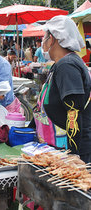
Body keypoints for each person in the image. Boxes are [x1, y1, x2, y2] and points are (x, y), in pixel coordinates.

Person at [30, 15, 91, 163]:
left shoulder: (67, 66)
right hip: (57, 148)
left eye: (45, 36)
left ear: (53, 38)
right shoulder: (59, 64)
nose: (43, 41)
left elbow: (73, 112)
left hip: (73, 152)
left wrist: (74, 154)